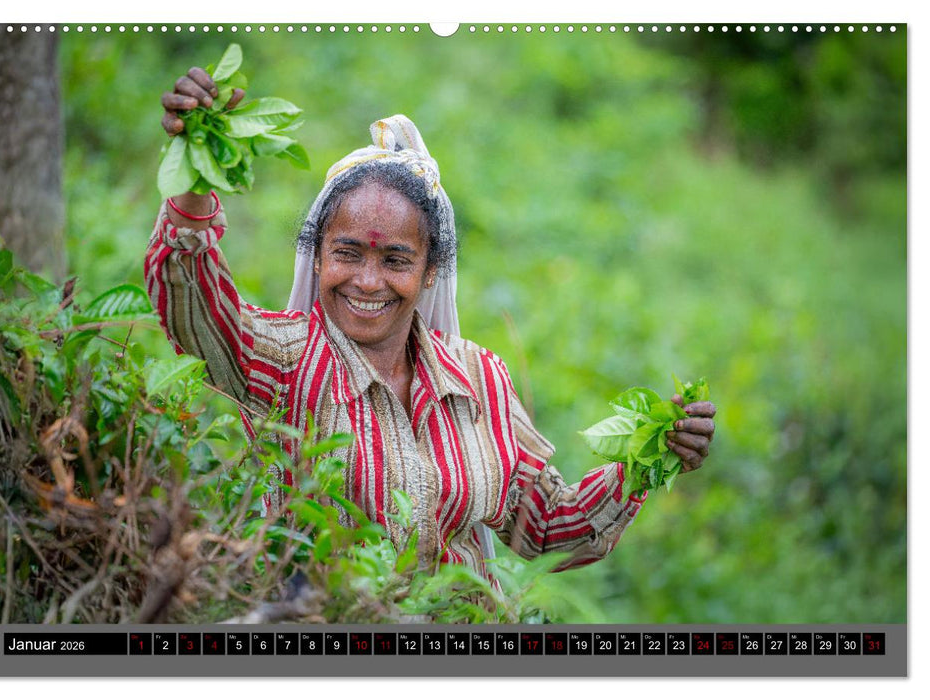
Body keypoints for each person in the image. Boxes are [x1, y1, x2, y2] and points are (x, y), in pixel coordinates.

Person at [145, 68, 717, 581]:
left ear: (430, 272)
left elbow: (546, 530)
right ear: (316, 256)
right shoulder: (284, 360)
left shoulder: (477, 378)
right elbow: (193, 310)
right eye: (347, 254)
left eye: (395, 260)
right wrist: (198, 171)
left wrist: (651, 453)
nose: (368, 282)